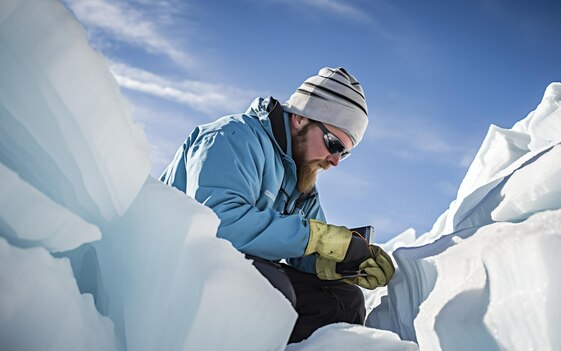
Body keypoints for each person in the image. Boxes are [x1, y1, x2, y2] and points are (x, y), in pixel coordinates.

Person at [160, 67, 395, 343]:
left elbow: (305, 251)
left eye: (345, 152)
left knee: (342, 300)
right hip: (172, 265)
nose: (335, 161)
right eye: (333, 144)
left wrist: (341, 263)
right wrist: (318, 237)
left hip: (237, 271)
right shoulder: (232, 138)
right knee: (269, 288)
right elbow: (218, 223)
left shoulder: (303, 183)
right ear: (300, 118)